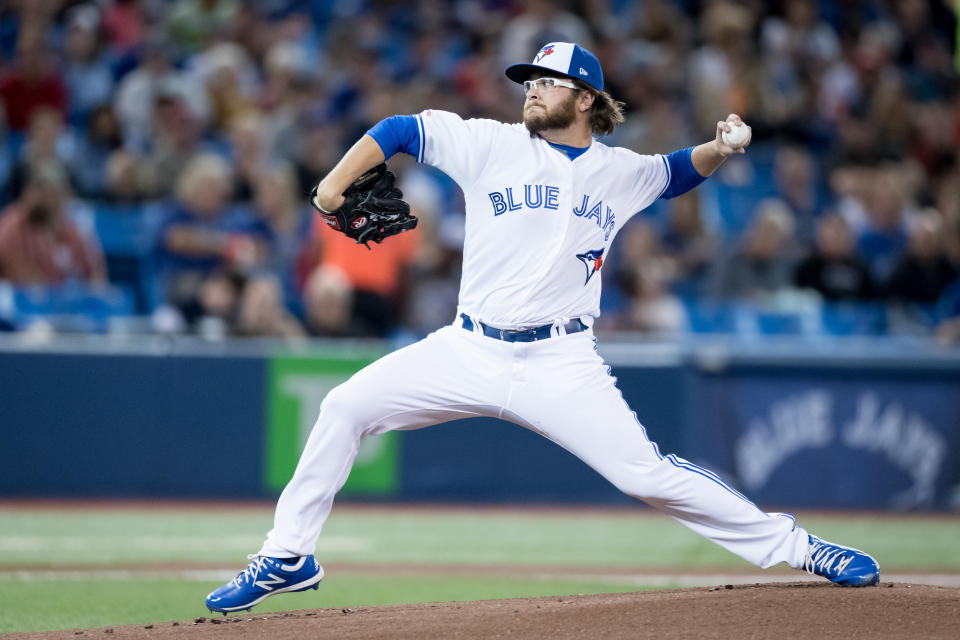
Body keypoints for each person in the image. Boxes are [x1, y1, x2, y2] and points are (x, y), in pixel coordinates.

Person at [205, 42, 879, 614]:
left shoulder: (619, 172)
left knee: (644, 474)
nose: (530, 91)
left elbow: (673, 175)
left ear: (585, 98)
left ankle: (799, 547)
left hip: (560, 363)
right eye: (527, 81)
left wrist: (720, 148)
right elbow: (403, 130)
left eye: (546, 82)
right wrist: (331, 186)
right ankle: (287, 556)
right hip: (466, 347)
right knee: (344, 405)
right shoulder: (490, 144)